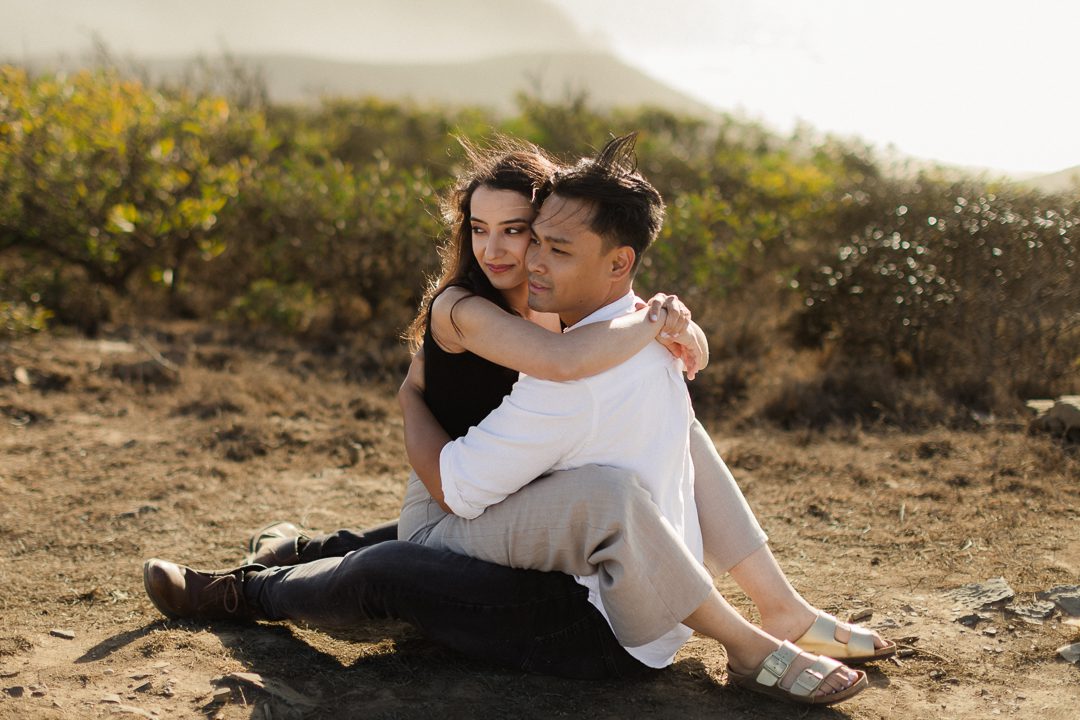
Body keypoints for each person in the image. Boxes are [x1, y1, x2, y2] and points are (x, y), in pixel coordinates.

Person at [143, 136, 889, 705]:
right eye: (482, 231)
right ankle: (248, 587)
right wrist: (411, 397)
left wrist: (673, 320)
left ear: (604, 257)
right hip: (456, 488)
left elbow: (573, 362)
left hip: (513, 501)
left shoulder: (592, 322)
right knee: (403, 551)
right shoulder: (484, 312)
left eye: (531, 236)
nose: (513, 253)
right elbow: (547, 387)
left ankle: (778, 612)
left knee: (647, 462)